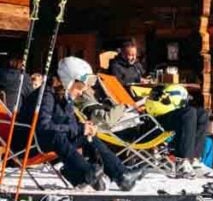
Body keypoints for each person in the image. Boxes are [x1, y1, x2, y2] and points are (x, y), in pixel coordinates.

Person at [17, 57, 143, 191]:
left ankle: (121, 175)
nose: (82, 92)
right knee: (57, 135)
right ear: (68, 81)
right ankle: (86, 173)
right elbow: (44, 127)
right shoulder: (45, 96)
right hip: (29, 145)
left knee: (86, 137)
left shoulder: (64, 97)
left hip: (51, 143)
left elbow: (71, 125)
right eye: (79, 88)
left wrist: (85, 128)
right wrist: (79, 128)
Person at [144, 83, 211, 177]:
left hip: (166, 119)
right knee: (189, 113)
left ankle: (194, 160)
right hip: (155, 122)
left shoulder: (165, 91)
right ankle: (182, 161)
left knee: (201, 113)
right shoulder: (159, 94)